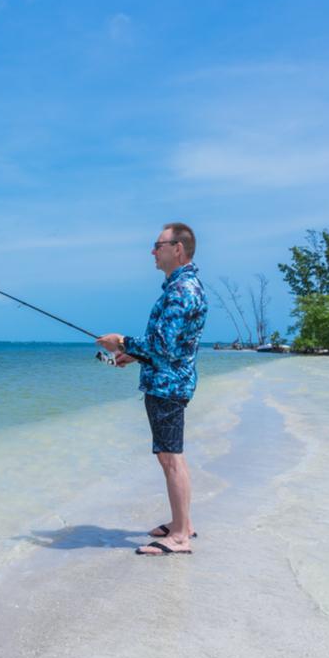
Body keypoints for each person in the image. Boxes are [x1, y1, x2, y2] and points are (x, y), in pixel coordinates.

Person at [97, 222, 208, 556]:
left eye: (158, 245)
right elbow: (168, 344)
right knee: (168, 454)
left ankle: (179, 537)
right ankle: (182, 523)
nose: (152, 251)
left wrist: (121, 341)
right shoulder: (179, 286)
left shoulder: (182, 290)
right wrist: (131, 355)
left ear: (178, 248)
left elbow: (164, 343)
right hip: (167, 380)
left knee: (171, 457)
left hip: (168, 385)